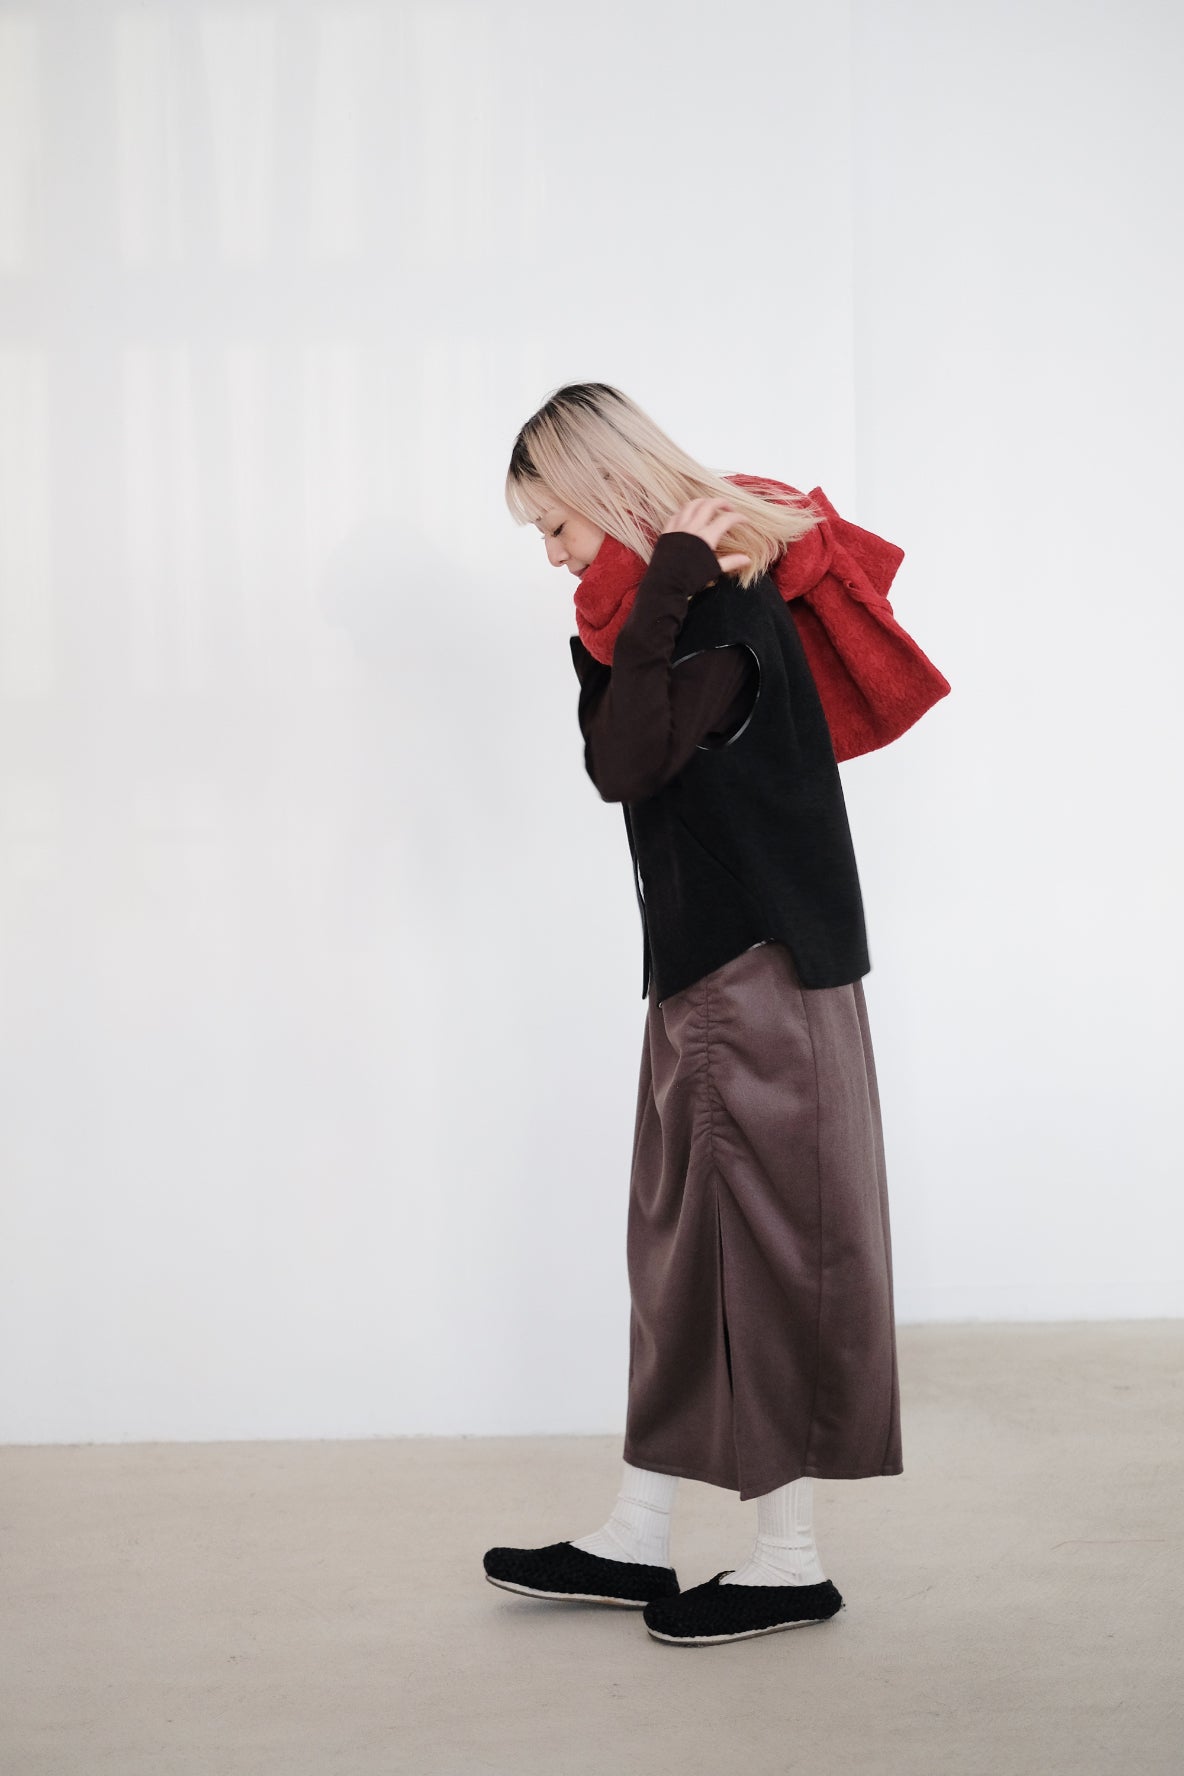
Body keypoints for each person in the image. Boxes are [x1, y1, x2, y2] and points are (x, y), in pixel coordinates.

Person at [483, 382, 902, 1647]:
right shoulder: (656, 610)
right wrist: (646, 589)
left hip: (752, 978)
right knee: (677, 1255)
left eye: (555, 525)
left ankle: (789, 1561)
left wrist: (664, 573)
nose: (551, 556)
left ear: (606, 494)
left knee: (758, 1260)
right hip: (708, 980)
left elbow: (627, 762)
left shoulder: (712, 606)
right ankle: (637, 1534)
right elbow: (618, 739)